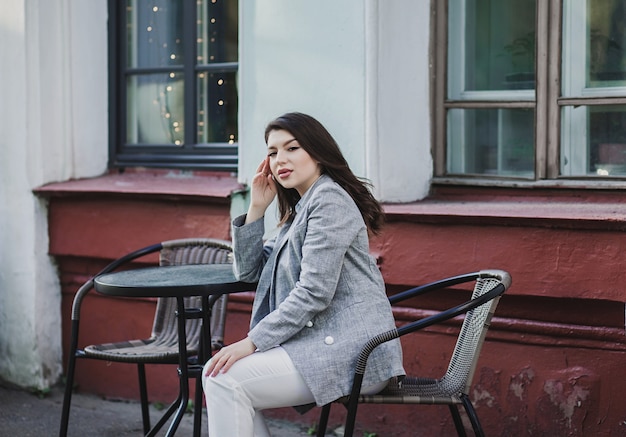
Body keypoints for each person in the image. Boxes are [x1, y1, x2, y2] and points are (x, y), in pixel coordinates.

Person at [202, 112, 405, 436]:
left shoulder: (329, 200)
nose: (280, 159)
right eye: (272, 152)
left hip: (356, 353)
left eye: (292, 148)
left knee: (224, 379)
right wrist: (256, 209)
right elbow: (250, 271)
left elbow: (315, 291)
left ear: (318, 151)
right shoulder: (300, 208)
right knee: (221, 377)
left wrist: (252, 343)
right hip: (323, 344)